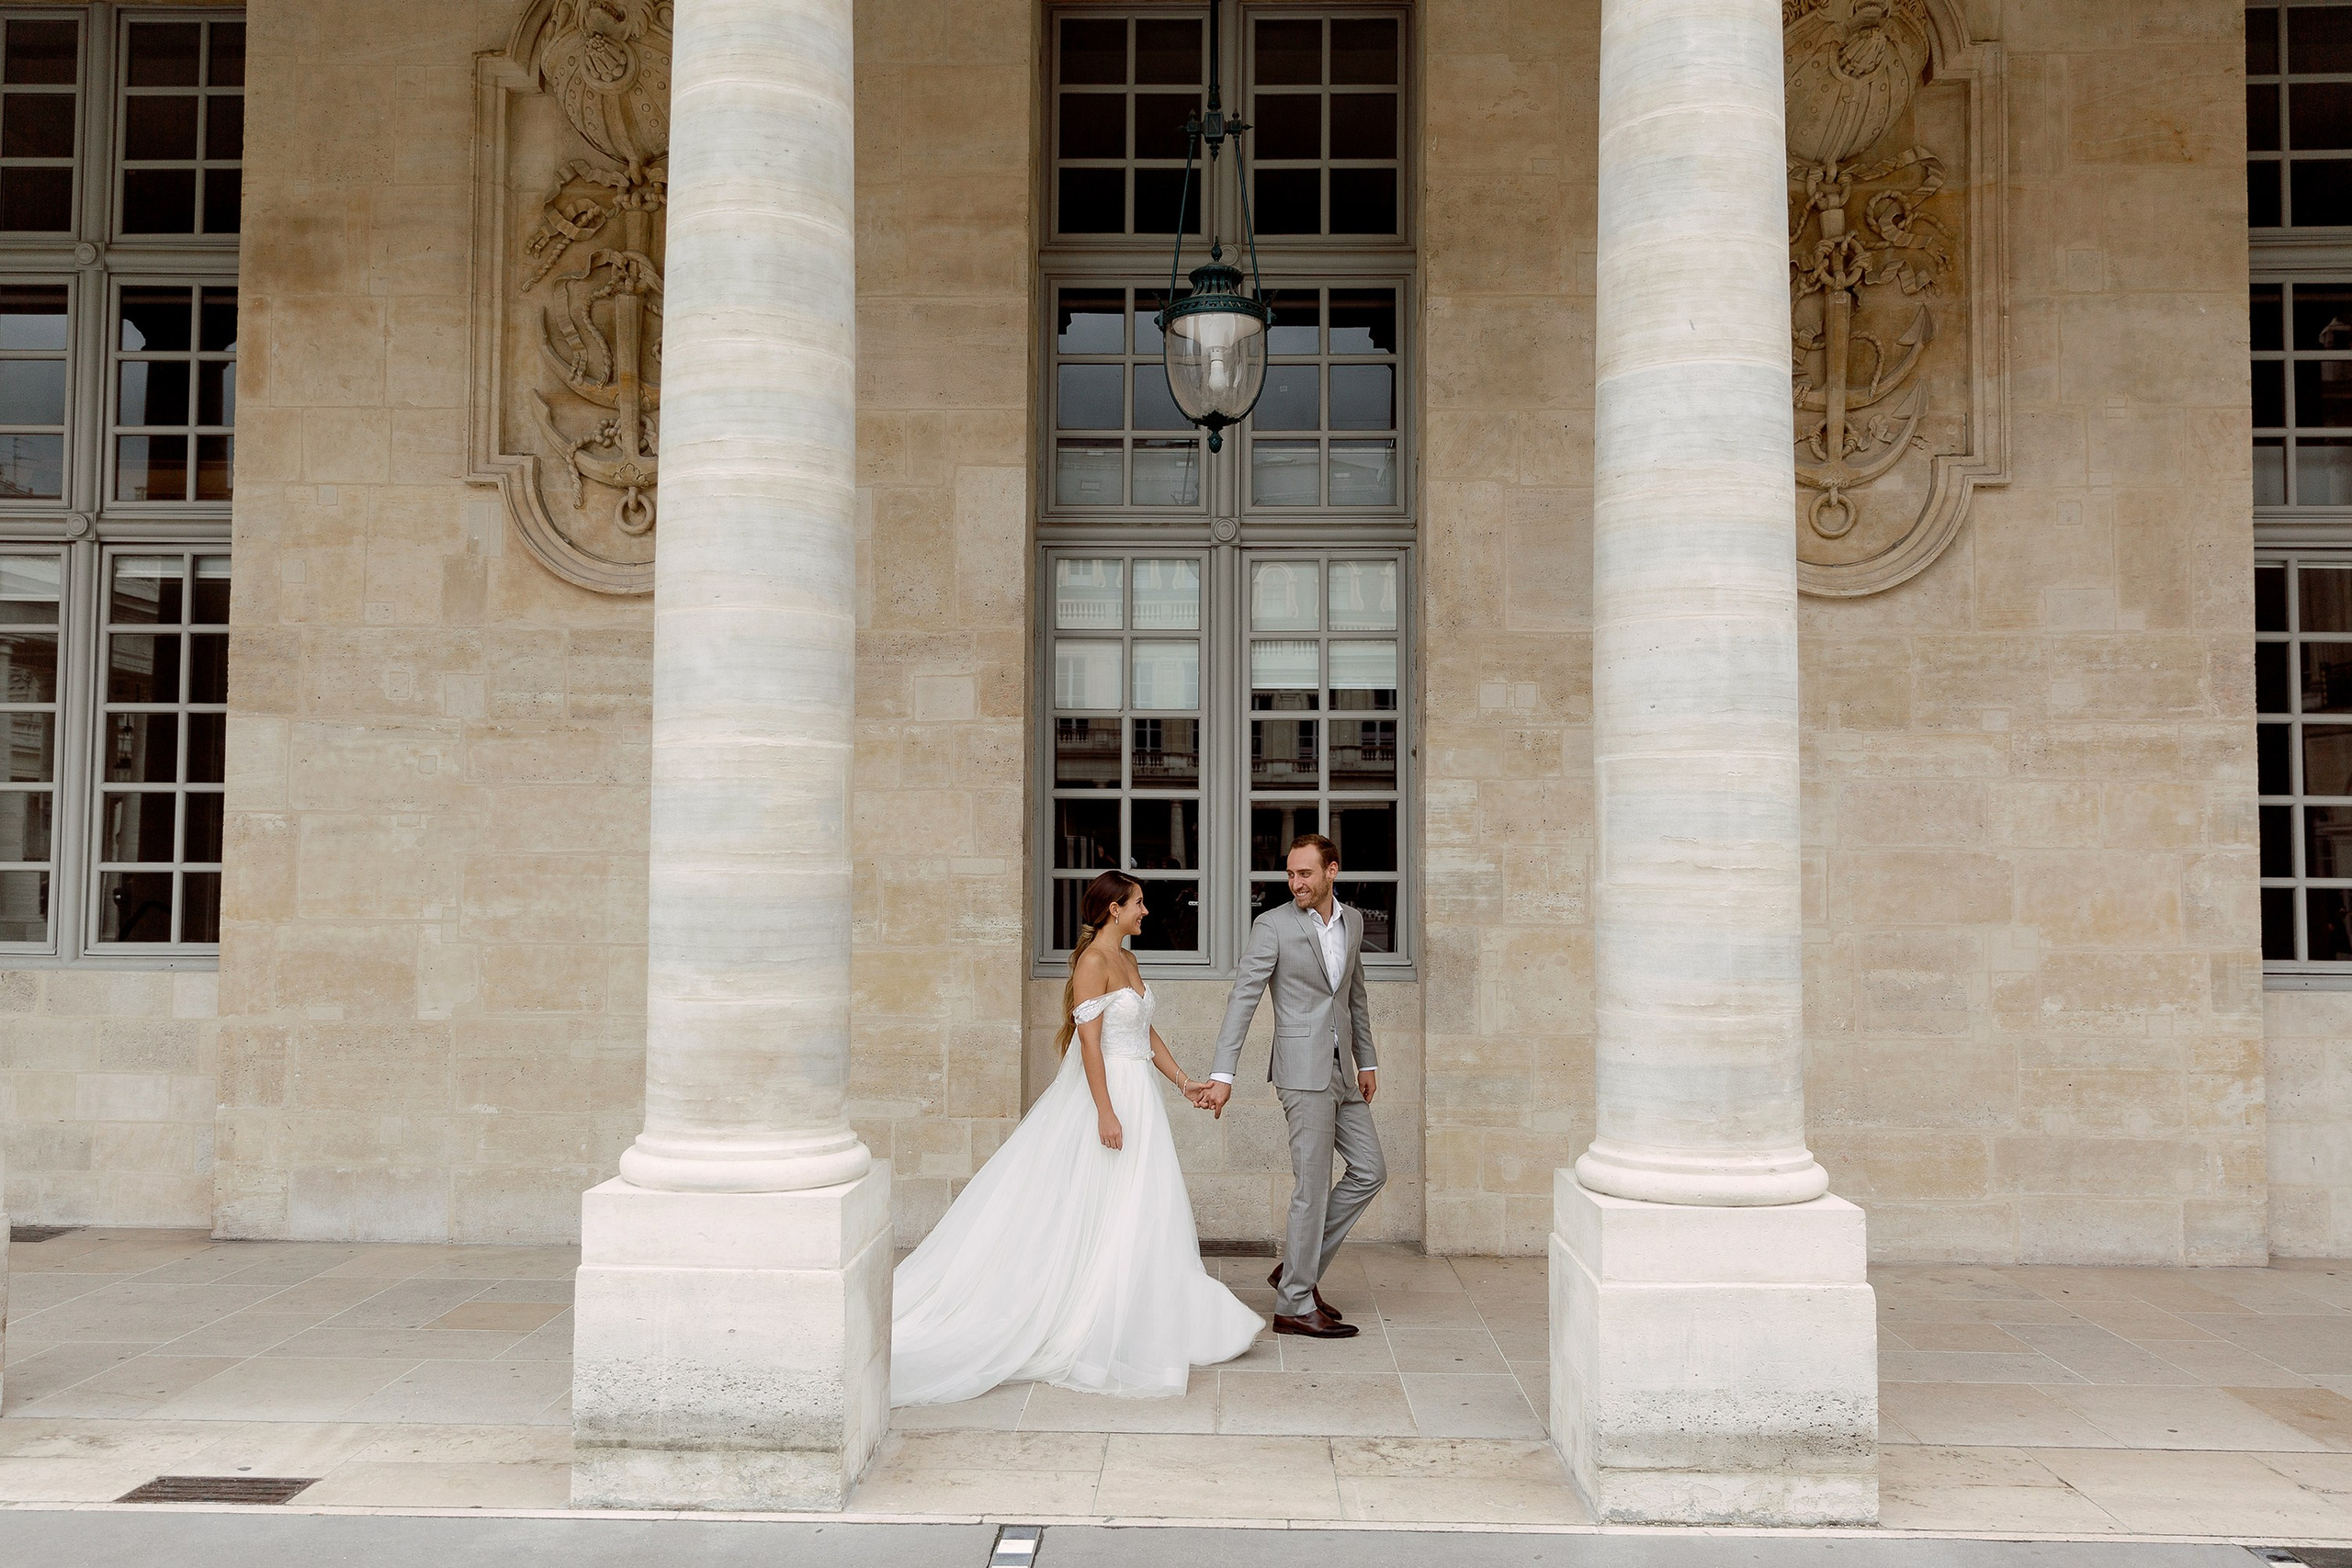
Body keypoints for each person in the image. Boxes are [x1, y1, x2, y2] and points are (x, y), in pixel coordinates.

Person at [889, 870, 1263, 1404]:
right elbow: (1090, 1047)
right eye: (1138, 904)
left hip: (1142, 1095)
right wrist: (1105, 1113)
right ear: (1115, 909)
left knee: (1145, 1205)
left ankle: (1142, 1313)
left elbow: (1143, 1031)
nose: (1146, 912)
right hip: (1111, 1095)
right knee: (1103, 1200)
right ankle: (1089, 1314)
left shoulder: (1130, 960)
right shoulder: (1092, 963)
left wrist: (1184, 1082)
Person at [1198, 834, 1385, 1339]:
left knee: (1370, 1171)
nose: (1295, 883)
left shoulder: (1353, 921)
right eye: (1290, 874)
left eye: (1305, 874)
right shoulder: (1273, 926)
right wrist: (1223, 1074)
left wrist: (1366, 1061)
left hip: (1343, 1069)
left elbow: (1355, 998)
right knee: (1312, 1188)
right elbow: (1244, 998)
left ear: (1332, 872)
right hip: (1302, 1074)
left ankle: (1295, 1270)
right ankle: (1294, 1305)